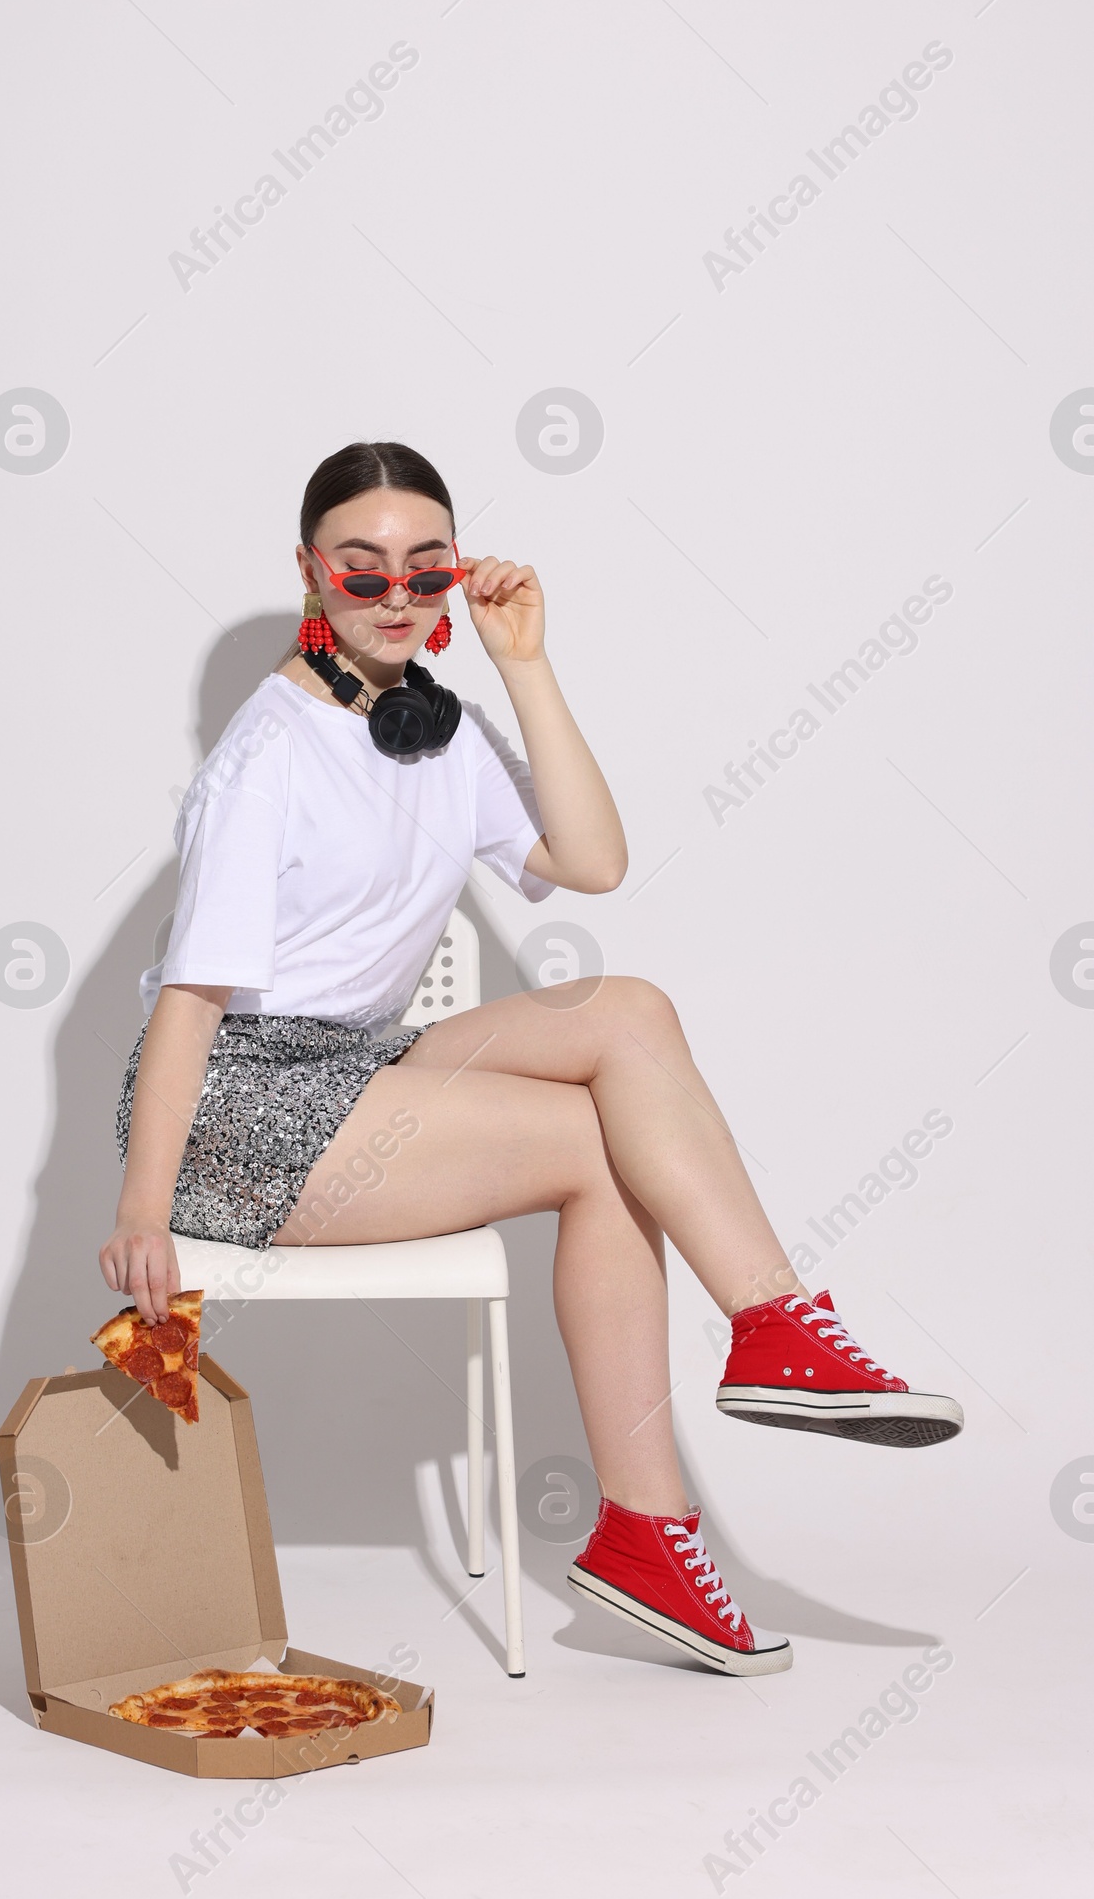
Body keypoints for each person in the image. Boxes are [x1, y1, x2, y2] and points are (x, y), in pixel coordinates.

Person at [100, 441, 961, 1678]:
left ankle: (768, 1340)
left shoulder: (431, 727)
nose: (396, 595)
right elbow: (189, 1002)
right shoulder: (267, 755)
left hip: (362, 1061)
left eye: (426, 567)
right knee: (601, 1148)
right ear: (310, 571)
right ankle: (658, 1517)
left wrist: (525, 663)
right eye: (361, 570)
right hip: (237, 1104)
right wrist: (142, 1205)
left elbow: (593, 863)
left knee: (629, 1008)